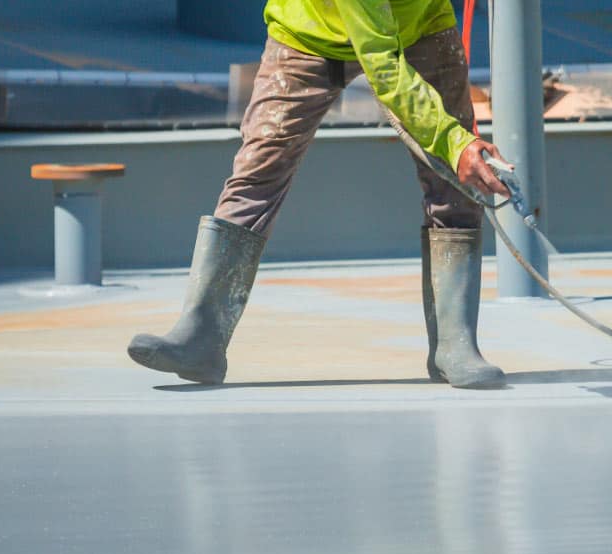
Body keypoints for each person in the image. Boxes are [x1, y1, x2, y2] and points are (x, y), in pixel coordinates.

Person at [127, 0, 512, 389]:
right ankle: (201, 337)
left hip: (421, 27)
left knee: (455, 185)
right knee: (259, 170)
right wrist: (452, 140)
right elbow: (381, 61)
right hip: (307, 33)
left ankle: (455, 344)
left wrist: (457, 148)